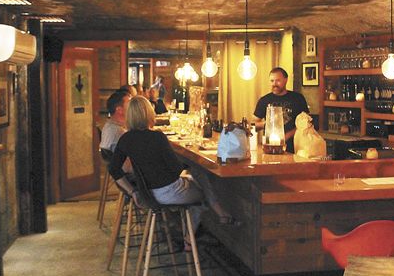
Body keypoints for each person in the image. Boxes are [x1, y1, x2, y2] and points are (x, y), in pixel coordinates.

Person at [109, 96, 237, 241]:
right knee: (202, 187)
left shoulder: (126, 139)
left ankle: (184, 230)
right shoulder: (157, 137)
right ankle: (196, 233)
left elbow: (113, 169)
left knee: (196, 175)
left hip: (147, 194)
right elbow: (175, 169)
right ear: (148, 113)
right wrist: (187, 166)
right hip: (169, 193)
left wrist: (133, 192)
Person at [253, 67, 309, 153]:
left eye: (278, 80)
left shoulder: (298, 98)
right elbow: (253, 126)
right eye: (272, 81)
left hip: (295, 147)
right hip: (270, 149)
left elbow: (306, 123)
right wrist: (266, 123)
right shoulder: (264, 100)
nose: (274, 84)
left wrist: (287, 136)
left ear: (286, 80)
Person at [100, 90, 132, 173]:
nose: (133, 106)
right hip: (128, 173)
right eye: (129, 103)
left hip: (117, 169)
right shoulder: (118, 131)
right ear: (119, 110)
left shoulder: (109, 125)